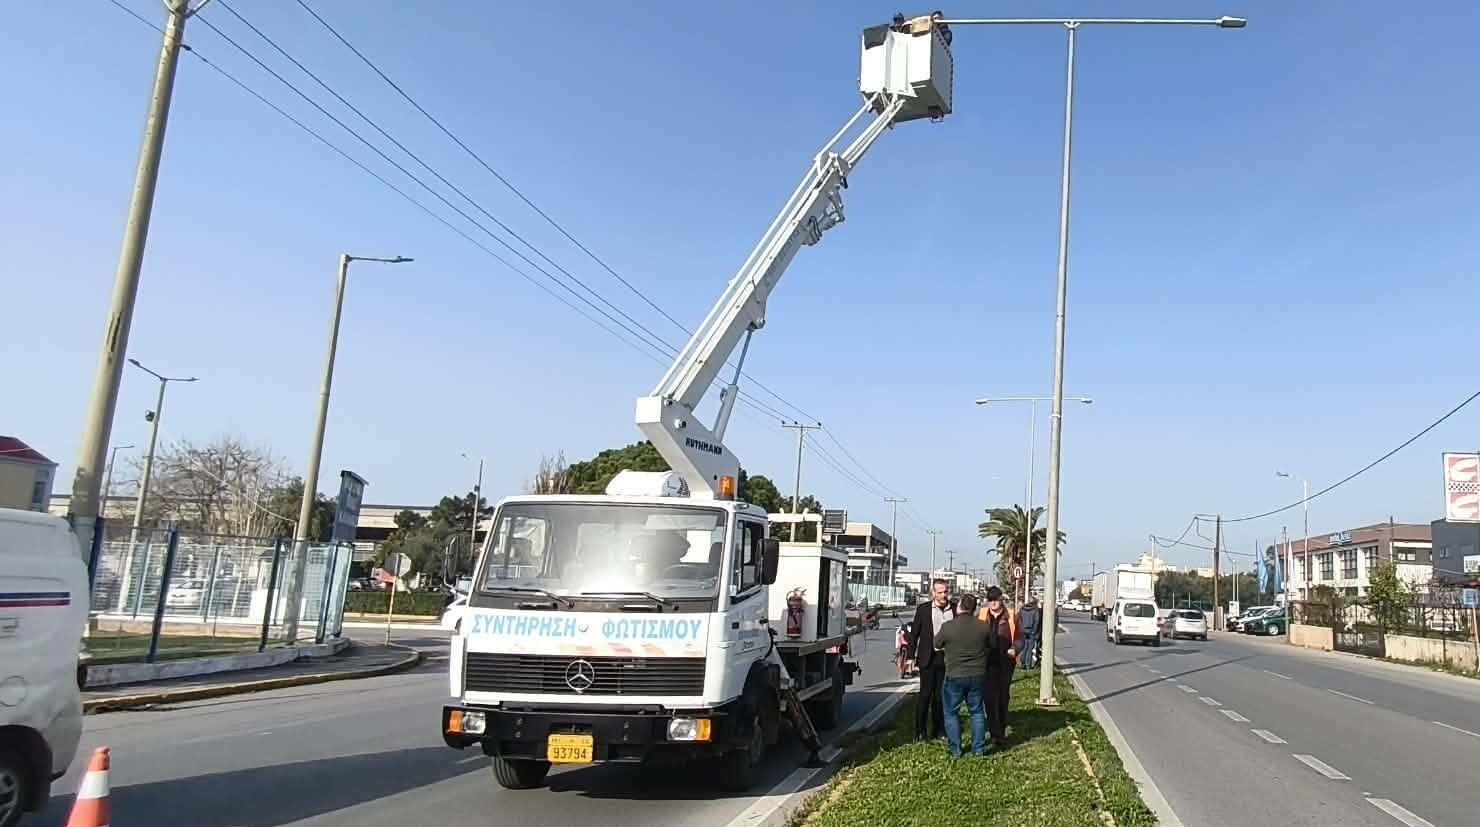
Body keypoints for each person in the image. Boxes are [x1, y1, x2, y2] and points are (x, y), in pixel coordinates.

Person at [934, 593, 990, 757]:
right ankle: (978, 749)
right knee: (977, 712)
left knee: (951, 713)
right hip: (978, 674)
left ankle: (956, 750)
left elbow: (936, 644)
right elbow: (991, 644)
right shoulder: (983, 627)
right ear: (974, 609)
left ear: (959, 607)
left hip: (955, 674)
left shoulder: (948, 626)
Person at [905, 578, 955, 741]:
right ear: (933, 593)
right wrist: (910, 657)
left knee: (940, 696)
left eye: (945, 592)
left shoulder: (954, 609)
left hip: (946, 658)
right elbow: (914, 635)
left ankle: (939, 730)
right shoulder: (924, 609)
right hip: (928, 658)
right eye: (940, 592)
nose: (943, 595)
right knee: (925, 695)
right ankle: (920, 732)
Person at [976, 586, 1022, 746]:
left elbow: (1020, 637)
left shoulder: (1011, 616)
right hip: (986, 663)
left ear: (1001, 600)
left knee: (1002, 696)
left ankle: (1001, 729)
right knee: (989, 698)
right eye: (990, 600)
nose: (993, 603)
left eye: (995, 600)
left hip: (1005, 663)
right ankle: (994, 731)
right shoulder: (982, 614)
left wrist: (1015, 648)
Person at [1017, 597, 1043, 670]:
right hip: (1032, 631)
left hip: (1024, 631)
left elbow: (1019, 620)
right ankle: (1028, 665)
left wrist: (1022, 629)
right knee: (1030, 648)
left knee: (1025, 647)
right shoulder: (1035, 610)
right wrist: (1034, 631)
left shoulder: (1022, 609)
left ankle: (1023, 664)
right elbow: (1036, 621)